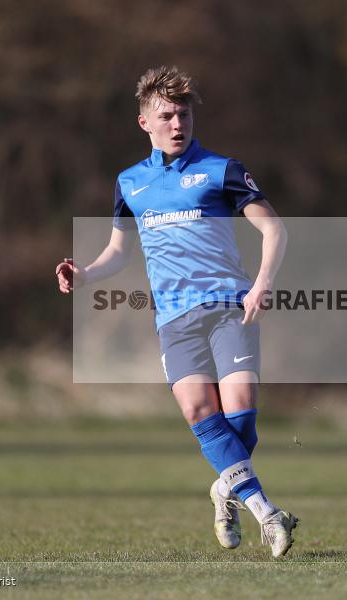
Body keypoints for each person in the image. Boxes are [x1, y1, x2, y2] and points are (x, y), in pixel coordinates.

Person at [56, 66, 297, 557]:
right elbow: (119, 252)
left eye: (183, 114)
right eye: (166, 115)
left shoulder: (222, 170)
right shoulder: (130, 183)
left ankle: (226, 489)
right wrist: (85, 275)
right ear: (144, 122)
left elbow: (274, 229)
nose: (177, 124)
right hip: (174, 319)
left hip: (230, 308)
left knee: (241, 420)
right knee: (199, 412)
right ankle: (268, 514)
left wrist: (262, 284)